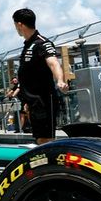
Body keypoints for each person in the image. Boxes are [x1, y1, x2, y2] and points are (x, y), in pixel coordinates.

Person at [11, 8, 67, 145]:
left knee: (45, 140)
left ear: (20, 25)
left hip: (44, 101)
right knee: (39, 139)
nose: (15, 29)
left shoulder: (42, 43)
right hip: (33, 102)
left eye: (14, 26)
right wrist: (26, 101)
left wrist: (60, 80)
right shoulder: (27, 45)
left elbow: (53, 62)